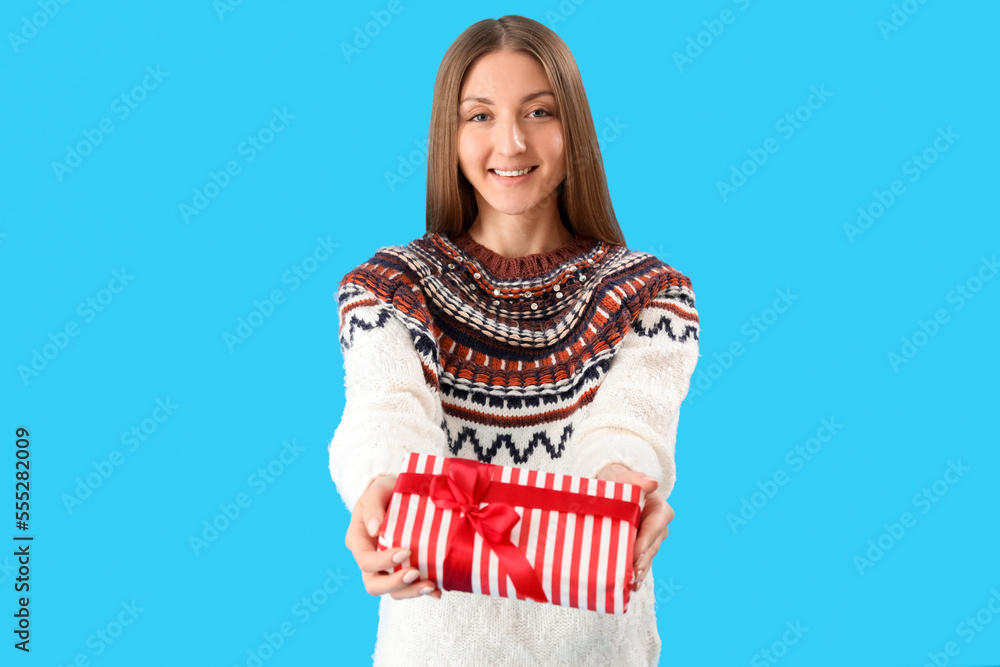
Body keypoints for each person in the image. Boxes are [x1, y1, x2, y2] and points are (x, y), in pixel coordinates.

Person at [328, 14, 700, 666]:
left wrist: (624, 488)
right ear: (449, 134)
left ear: (574, 129)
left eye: (538, 111)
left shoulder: (651, 292)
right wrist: (377, 484)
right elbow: (383, 409)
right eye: (479, 116)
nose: (510, 141)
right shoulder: (389, 286)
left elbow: (629, 426)